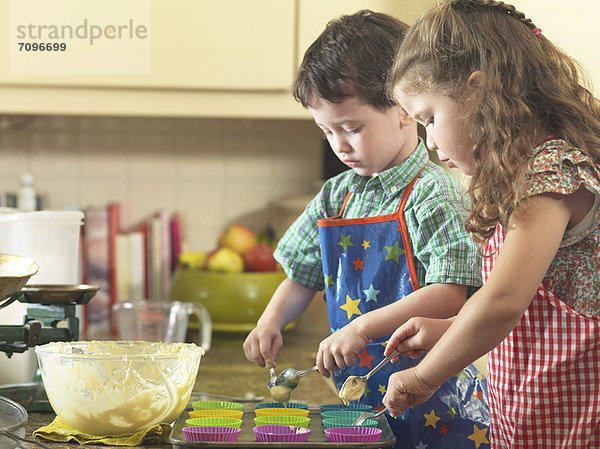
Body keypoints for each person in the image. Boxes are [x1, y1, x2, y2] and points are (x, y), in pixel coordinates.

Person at [243, 10, 489, 448]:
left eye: (352, 128)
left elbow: (451, 292)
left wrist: (361, 328)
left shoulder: (432, 192)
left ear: (402, 109)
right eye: (327, 132)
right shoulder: (335, 196)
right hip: (360, 395)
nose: (339, 145)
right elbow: (302, 276)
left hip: (434, 393)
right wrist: (271, 321)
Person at [384, 0, 600, 447]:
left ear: (477, 92)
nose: (427, 141)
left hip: (574, 426)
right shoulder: (525, 175)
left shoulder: (549, 171)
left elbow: (502, 302)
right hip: (530, 419)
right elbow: (532, 315)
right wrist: (448, 330)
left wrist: (423, 378)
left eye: (428, 118)